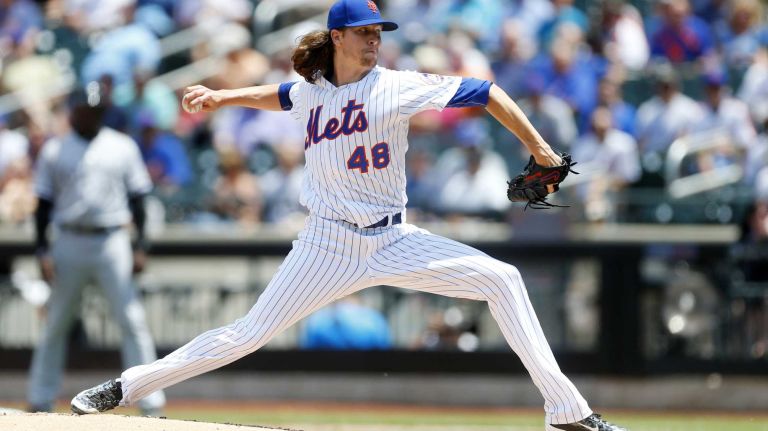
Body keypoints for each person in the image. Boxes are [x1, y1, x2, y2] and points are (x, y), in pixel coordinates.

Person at [70, 2, 627, 430]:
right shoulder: (315, 92)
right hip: (326, 246)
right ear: (337, 37)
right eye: (364, 33)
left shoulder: (399, 85)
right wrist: (222, 97)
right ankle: (125, 387)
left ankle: (565, 409)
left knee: (503, 280)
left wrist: (542, 150)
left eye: (378, 33)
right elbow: (280, 94)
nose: (374, 43)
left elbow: (487, 92)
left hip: (394, 239)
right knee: (244, 335)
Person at [28, 83, 165, 415]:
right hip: (69, 239)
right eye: (84, 109)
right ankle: (40, 397)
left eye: (96, 110)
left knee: (131, 320)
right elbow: (42, 206)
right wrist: (42, 250)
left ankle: (150, 401)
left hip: (111, 239)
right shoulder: (55, 149)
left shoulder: (121, 146)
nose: (90, 115)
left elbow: (139, 200)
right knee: (56, 322)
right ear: (73, 110)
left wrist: (140, 245)